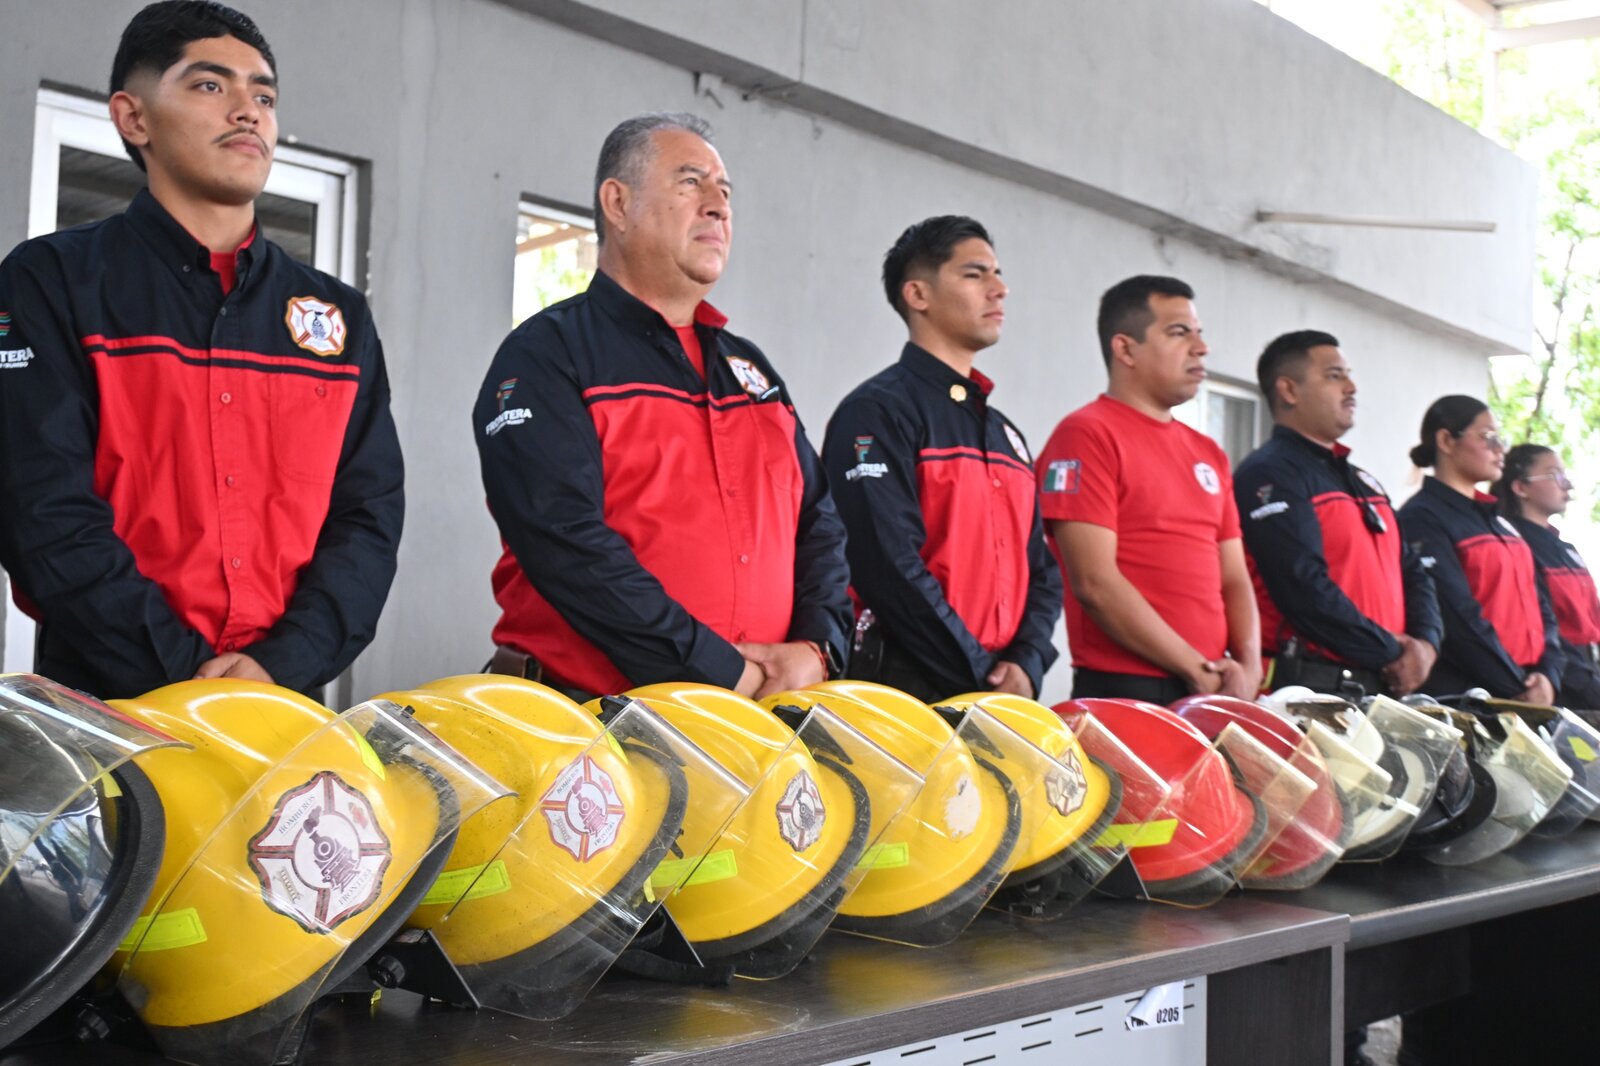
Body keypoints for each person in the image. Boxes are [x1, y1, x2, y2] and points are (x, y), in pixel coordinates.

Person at [0, 1, 403, 700]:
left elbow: (368, 518)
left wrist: (281, 666)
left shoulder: (338, 317)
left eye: (264, 96)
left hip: (281, 711)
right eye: (211, 85)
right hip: (108, 715)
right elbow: (41, 509)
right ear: (133, 118)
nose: (248, 112)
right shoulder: (52, 282)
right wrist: (188, 679)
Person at [475, 113, 850, 701]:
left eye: (725, 192)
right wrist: (720, 673)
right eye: (691, 182)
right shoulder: (547, 356)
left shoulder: (751, 372)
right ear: (618, 203)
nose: (718, 207)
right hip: (586, 726)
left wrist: (817, 647)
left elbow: (820, 523)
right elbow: (566, 543)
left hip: (754, 720)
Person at [821, 216, 1061, 704]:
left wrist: (1028, 662)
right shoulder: (876, 412)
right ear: (918, 295)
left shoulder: (1005, 435)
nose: (1000, 289)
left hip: (997, 691)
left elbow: (1043, 570)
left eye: (997, 273)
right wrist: (978, 677)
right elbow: (886, 565)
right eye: (975, 274)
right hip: (903, 688)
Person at [1036, 275, 1261, 703]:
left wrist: (1249, 669)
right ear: (1125, 349)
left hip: (1212, 686)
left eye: (1199, 332)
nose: (1201, 347)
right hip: (1129, 688)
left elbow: (1234, 576)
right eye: (1179, 333)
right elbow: (1095, 582)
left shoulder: (1208, 452)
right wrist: (1196, 669)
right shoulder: (1086, 435)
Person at [1232, 331, 1441, 698]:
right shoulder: (1270, 473)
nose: (1351, 387)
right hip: (1310, 689)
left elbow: (1412, 569)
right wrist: (1392, 652)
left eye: (1348, 375)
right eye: (1334, 376)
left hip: (1379, 683)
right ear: (1289, 390)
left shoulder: (1361, 480)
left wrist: (1426, 644)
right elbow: (1301, 586)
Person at [1396, 397, 1562, 703]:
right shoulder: (1422, 518)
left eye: (1500, 439)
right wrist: (1517, 686)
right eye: (1488, 437)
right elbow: (1456, 618)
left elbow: (1542, 606)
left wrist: (1548, 675)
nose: (1500, 449)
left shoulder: (1500, 521)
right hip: (1467, 697)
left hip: (1526, 691)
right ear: (1446, 441)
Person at [1494, 444, 1600, 708]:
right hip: (1561, 682)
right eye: (1555, 475)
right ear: (1521, 487)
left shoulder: (1565, 548)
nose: (1567, 485)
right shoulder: (1515, 545)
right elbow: (1542, 624)